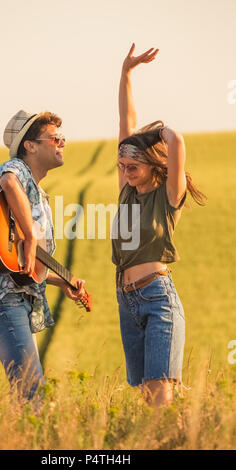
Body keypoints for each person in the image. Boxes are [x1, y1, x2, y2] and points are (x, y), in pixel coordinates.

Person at [0, 110, 85, 409]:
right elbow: (8, 181)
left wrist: (63, 281)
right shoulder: (14, 169)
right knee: (31, 394)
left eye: (64, 139)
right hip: (1, 298)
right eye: (55, 138)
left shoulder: (38, 193)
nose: (62, 143)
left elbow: (21, 258)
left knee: (29, 392)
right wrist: (32, 234)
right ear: (30, 146)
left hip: (16, 295)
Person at [112, 44, 207, 407]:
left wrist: (149, 138)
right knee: (147, 398)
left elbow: (175, 140)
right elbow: (125, 123)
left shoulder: (168, 197)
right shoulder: (126, 191)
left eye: (133, 164)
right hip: (127, 300)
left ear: (153, 163)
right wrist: (126, 73)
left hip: (157, 298)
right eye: (122, 164)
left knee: (160, 396)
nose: (125, 169)